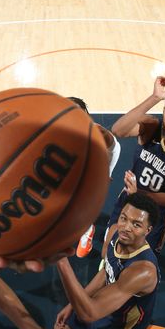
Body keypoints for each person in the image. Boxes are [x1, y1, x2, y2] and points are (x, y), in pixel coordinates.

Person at [49, 193, 160, 329]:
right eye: (124, 218)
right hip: (105, 302)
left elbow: (90, 312)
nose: (126, 227)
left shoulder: (142, 271)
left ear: (148, 230)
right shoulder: (116, 232)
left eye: (136, 224)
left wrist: (61, 260)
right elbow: (106, 271)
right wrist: (72, 304)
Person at [105, 76, 165, 255]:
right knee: (109, 248)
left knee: (136, 255)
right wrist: (155, 98)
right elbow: (118, 130)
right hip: (129, 199)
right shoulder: (151, 127)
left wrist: (139, 193)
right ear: (164, 110)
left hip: (154, 213)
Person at [66, 97, 122, 258]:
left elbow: (103, 154)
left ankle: (87, 229)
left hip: (106, 154)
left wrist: (103, 174)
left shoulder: (96, 133)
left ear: (85, 113)